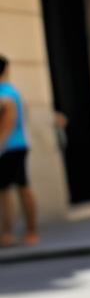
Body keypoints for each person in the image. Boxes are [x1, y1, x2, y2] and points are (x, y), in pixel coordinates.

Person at [0, 55, 39, 247]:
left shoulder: (4, 93)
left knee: (9, 190)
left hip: (9, 147)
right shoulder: (12, 91)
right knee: (20, 187)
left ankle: (11, 233)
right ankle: (27, 232)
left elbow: (8, 122)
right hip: (17, 145)